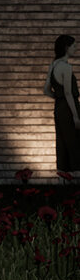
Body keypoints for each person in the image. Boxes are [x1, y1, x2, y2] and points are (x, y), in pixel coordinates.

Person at [50, 34, 80, 176]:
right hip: (69, 107)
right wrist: (75, 115)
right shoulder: (66, 67)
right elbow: (68, 93)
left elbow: (45, 90)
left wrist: (58, 98)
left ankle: (62, 173)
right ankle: (76, 173)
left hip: (58, 107)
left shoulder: (53, 65)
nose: (76, 48)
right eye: (74, 46)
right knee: (74, 140)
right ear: (67, 47)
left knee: (61, 140)